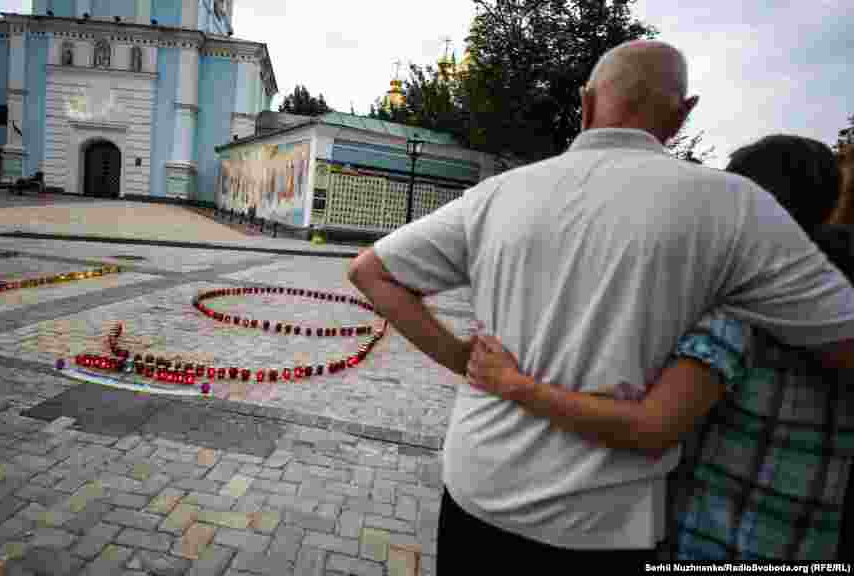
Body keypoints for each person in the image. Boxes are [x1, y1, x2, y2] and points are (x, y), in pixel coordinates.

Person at [347, 39, 854, 567]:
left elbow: (370, 272)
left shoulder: (499, 194)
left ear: (586, 103)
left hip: (479, 489)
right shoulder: (735, 206)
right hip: (603, 523)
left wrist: (463, 361)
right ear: (683, 114)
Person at [464, 134, 853, 561]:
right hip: (807, 541)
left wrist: (515, 385)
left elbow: (649, 429)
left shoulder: (738, 312)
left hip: (717, 544)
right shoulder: (833, 300)